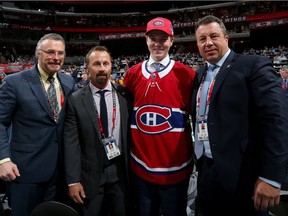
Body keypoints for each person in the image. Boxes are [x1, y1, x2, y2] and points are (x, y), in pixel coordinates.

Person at [191, 15, 288, 216]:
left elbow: (276, 121)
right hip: (206, 171)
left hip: (244, 176)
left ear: (226, 38)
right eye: (202, 39)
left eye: (213, 36)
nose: (208, 43)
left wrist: (271, 177)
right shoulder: (199, 75)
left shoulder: (252, 65)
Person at [124, 17, 196, 216]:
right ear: (146, 40)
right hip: (141, 169)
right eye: (153, 38)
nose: (157, 43)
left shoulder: (187, 75)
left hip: (176, 171)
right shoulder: (132, 74)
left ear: (172, 40)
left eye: (163, 38)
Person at [0, 33, 77, 216]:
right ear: (38, 53)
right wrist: (3, 159)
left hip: (60, 173)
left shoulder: (69, 81)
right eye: (50, 52)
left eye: (60, 53)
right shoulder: (15, 82)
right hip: (25, 172)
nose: (56, 58)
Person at [63, 46, 133, 216]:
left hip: (120, 173)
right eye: (96, 64)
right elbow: (72, 142)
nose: (102, 68)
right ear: (86, 67)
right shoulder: (76, 99)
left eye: (106, 63)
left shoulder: (125, 95)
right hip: (90, 176)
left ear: (111, 66)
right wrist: (73, 180)